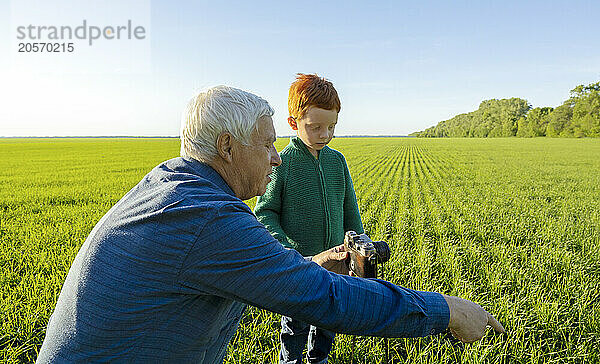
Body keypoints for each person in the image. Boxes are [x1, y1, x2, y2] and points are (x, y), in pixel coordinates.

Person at [36, 85, 504, 363]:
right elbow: (326, 299)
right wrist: (447, 310)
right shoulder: (207, 217)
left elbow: (252, 271)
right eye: (266, 144)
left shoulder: (174, 185)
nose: (277, 157)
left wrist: (315, 261)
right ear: (227, 146)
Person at [254, 74, 363, 364]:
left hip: (338, 265)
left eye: (331, 127)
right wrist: (290, 252)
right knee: (296, 323)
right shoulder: (283, 163)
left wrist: (358, 248)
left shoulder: (337, 161)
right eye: (315, 127)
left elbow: (349, 208)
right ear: (293, 123)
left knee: (329, 318)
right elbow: (264, 212)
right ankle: (290, 360)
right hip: (301, 266)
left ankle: (319, 359)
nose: (324, 135)